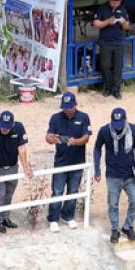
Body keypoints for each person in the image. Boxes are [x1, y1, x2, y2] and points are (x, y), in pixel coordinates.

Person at [92, 107, 135, 244]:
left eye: (120, 125)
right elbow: (97, 149)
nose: (118, 129)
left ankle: (127, 226)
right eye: (116, 125)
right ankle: (115, 229)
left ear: (125, 120)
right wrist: (97, 170)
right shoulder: (104, 131)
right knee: (113, 204)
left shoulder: (133, 130)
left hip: (130, 174)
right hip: (113, 175)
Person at [44, 92, 91, 232]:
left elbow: (86, 137)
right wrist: (51, 139)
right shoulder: (56, 118)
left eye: (69, 107)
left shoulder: (83, 117)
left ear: (75, 105)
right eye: (65, 108)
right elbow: (48, 136)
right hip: (61, 161)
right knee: (57, 190)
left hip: (78, 161)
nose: (67, 110)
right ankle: (53, 218)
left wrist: (75, 142)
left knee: (73, 190)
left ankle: (68, 215)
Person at [0, 110, 30, 235]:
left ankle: (5, 217)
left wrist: (26, 168)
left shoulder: (19, 128)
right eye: (2, 127)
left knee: (9, 193)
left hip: (12, 166)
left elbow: (21, 148)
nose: (4, 130)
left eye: (7, 128)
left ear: (12, 124)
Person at [91, 0, 131, 99]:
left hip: (119, 42)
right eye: (113, 2)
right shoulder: (102, 9)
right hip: (105, 42)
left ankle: (116, 90)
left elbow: (127, 27)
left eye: (117, 2)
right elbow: (96, 24)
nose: (115, 4)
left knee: (118, 67)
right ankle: (108, 88)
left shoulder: (123, 9)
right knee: (105, 66)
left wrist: (123, 23)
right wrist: (108, 21)